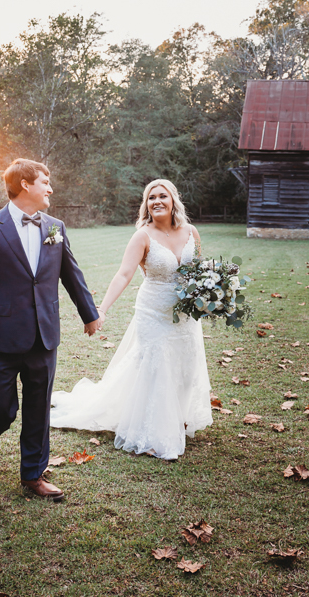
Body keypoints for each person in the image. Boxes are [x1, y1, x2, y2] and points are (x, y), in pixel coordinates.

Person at [0, 158, 101, 502]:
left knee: (38, 407)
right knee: (1, 409)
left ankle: (33, 473)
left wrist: (89, 314)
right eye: (45, 181)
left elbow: (70, 273)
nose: (50, 188)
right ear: (25, 185)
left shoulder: (54, 227)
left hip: (44, 334)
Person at [50, 179, 212, 460]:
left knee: (185, 363)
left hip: (186, 315)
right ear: (146, 205)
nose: (157, 201)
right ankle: (150, 434)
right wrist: (101, 309)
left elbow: (199, 271)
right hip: (154, 312)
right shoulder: (142, 236)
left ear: (173, 200)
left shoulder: (191, 232)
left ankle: (178, 416)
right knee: (156, 366)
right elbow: (124, 274)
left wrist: (212, 294)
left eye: (163, 196)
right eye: (151, 198)